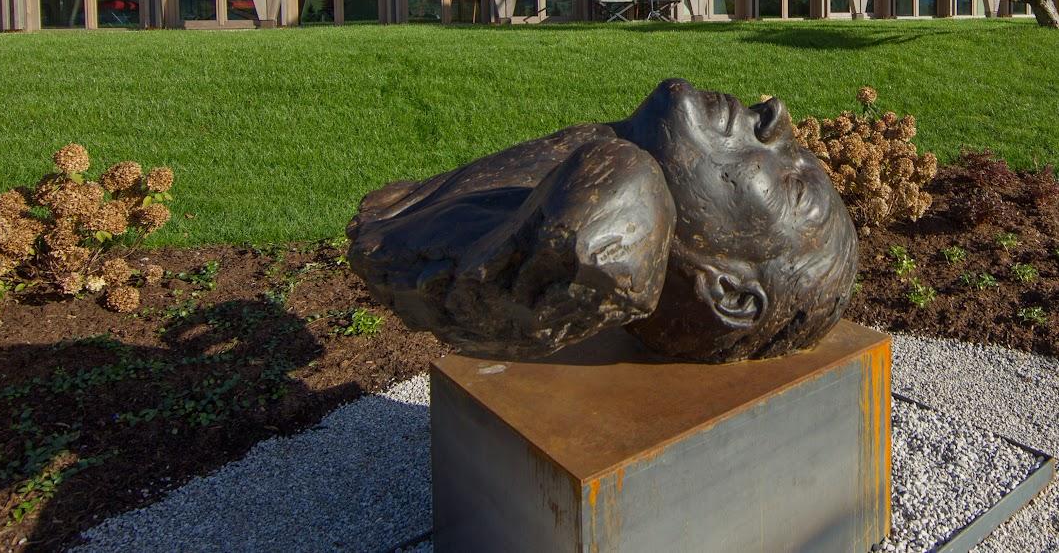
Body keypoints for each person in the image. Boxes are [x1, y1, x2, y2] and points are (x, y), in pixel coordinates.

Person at [347, 79, 858, 362]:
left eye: (794, 188)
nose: (777, 117)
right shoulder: (589, 157)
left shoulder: (620, 197)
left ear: (729, 295)